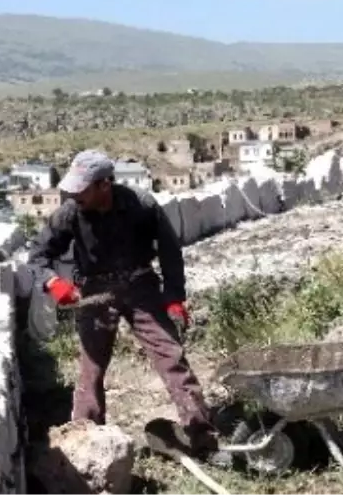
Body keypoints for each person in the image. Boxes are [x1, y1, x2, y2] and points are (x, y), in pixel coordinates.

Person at [26, 149, 220, 456]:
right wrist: (52, 282)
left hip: (141, 285)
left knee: (171, 357)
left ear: (105, 184)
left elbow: (169, 251)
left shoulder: (141, 204)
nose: (74, 194)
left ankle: (203, 436)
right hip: (95, 291)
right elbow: (37, 256)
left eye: (82, 188)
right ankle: (86, 443)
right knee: (91, 370)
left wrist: (173, 298)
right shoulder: (69, 213)